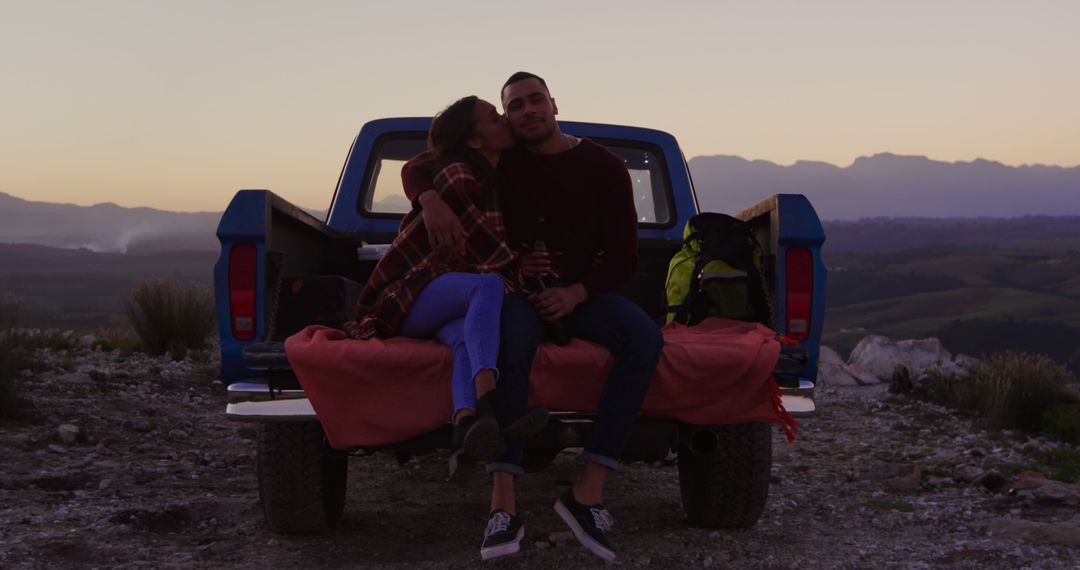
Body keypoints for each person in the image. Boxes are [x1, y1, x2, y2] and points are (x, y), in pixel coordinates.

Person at [404, 72, 664, 562]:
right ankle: (503, 506)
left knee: (644, 337)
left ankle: (586, 493)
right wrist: (431, 199)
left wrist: (577, 292)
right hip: (518, 292)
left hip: (583, 293)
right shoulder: (500, 160)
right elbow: (421, 166)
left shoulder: (604, 166)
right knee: (510, 342)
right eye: (514, 106)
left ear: (554, 104)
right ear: (507, 118)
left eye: (534, 100)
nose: (526, 111)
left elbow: (625, 257)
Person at [344, 95, 547, 481]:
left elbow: (421, 168)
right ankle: (491, 402)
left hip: (439, 295)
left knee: (460, 341)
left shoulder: (491, 169)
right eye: (494, 117)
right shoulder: (460, 175)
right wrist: (520, 266)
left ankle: (464, 430)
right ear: (474, 141)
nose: (505, 119)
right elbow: (491, 257)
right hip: (407, 293)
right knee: (487, 287)